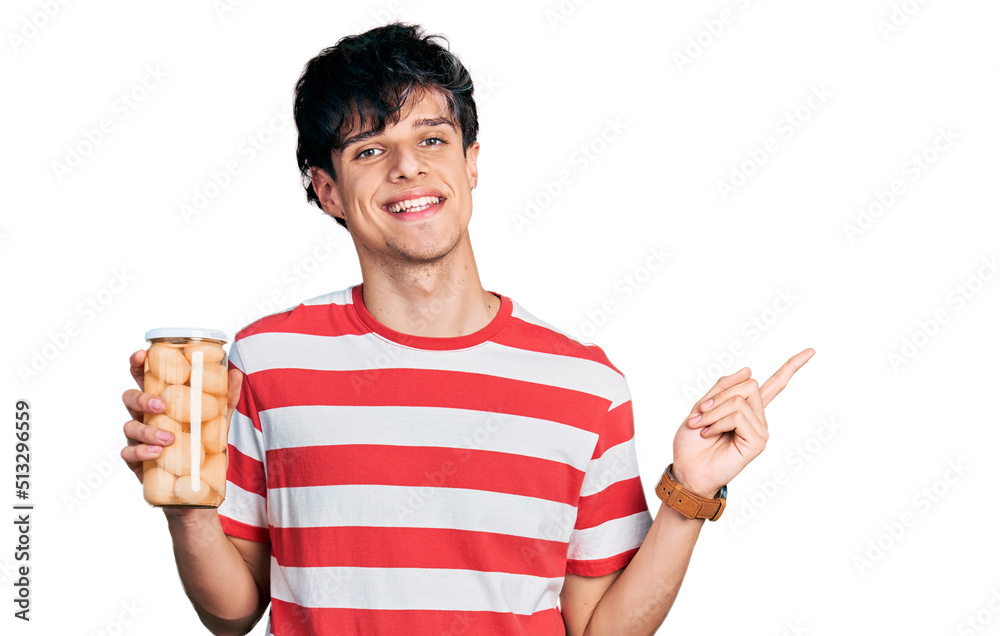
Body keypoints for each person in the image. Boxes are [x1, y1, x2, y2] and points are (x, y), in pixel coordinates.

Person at [120, 22, 813, 635]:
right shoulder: (267, 361)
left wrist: (689, 496)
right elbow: (232, 611)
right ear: (326, 188)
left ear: (471, 162)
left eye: (431, 138)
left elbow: (598, 629)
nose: (407, 166)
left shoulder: (585, 385)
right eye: (368, 150)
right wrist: (184, 504)